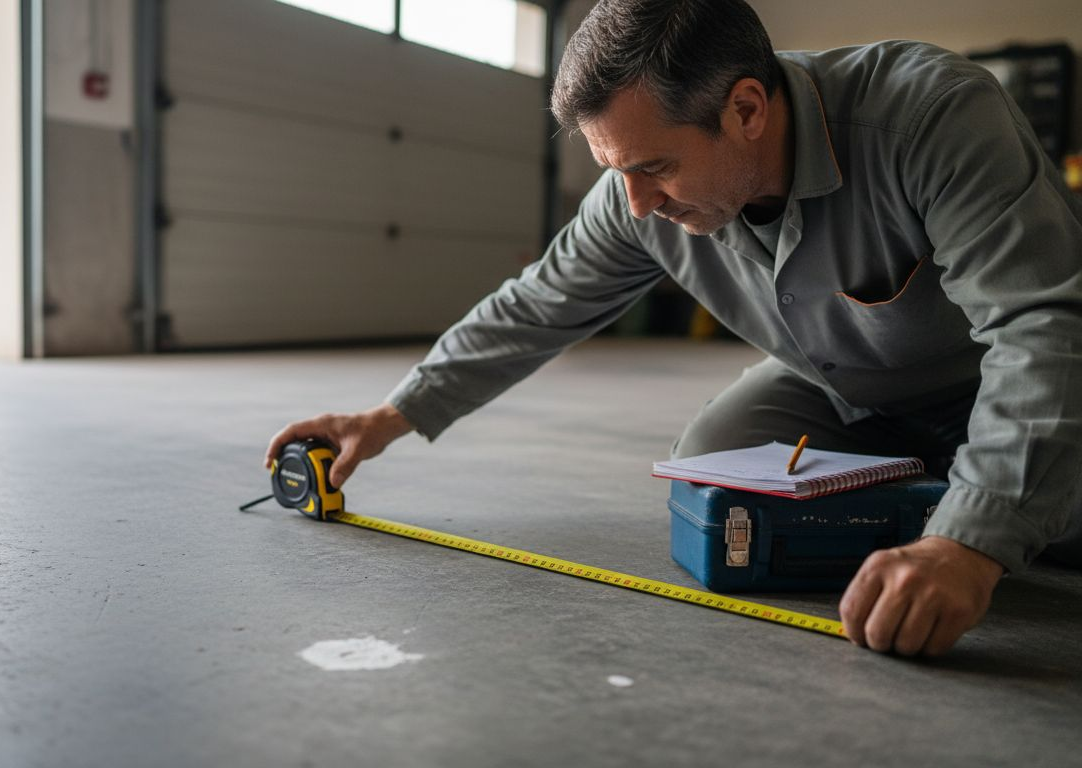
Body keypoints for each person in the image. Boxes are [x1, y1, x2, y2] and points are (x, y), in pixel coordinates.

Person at [265, 0, 1082, 657]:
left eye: (654, 168)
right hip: (841, 386)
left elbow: (1042, 329)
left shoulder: (931, 118)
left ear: (748, 109)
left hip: (998, 379)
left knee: (1047, 522)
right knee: (717, 484)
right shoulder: (638, 195)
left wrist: (967, 545)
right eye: (613, 172)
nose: (636, 206)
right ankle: (963, 494)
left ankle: (985, 498)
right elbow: (538, 303)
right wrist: (389, 415)